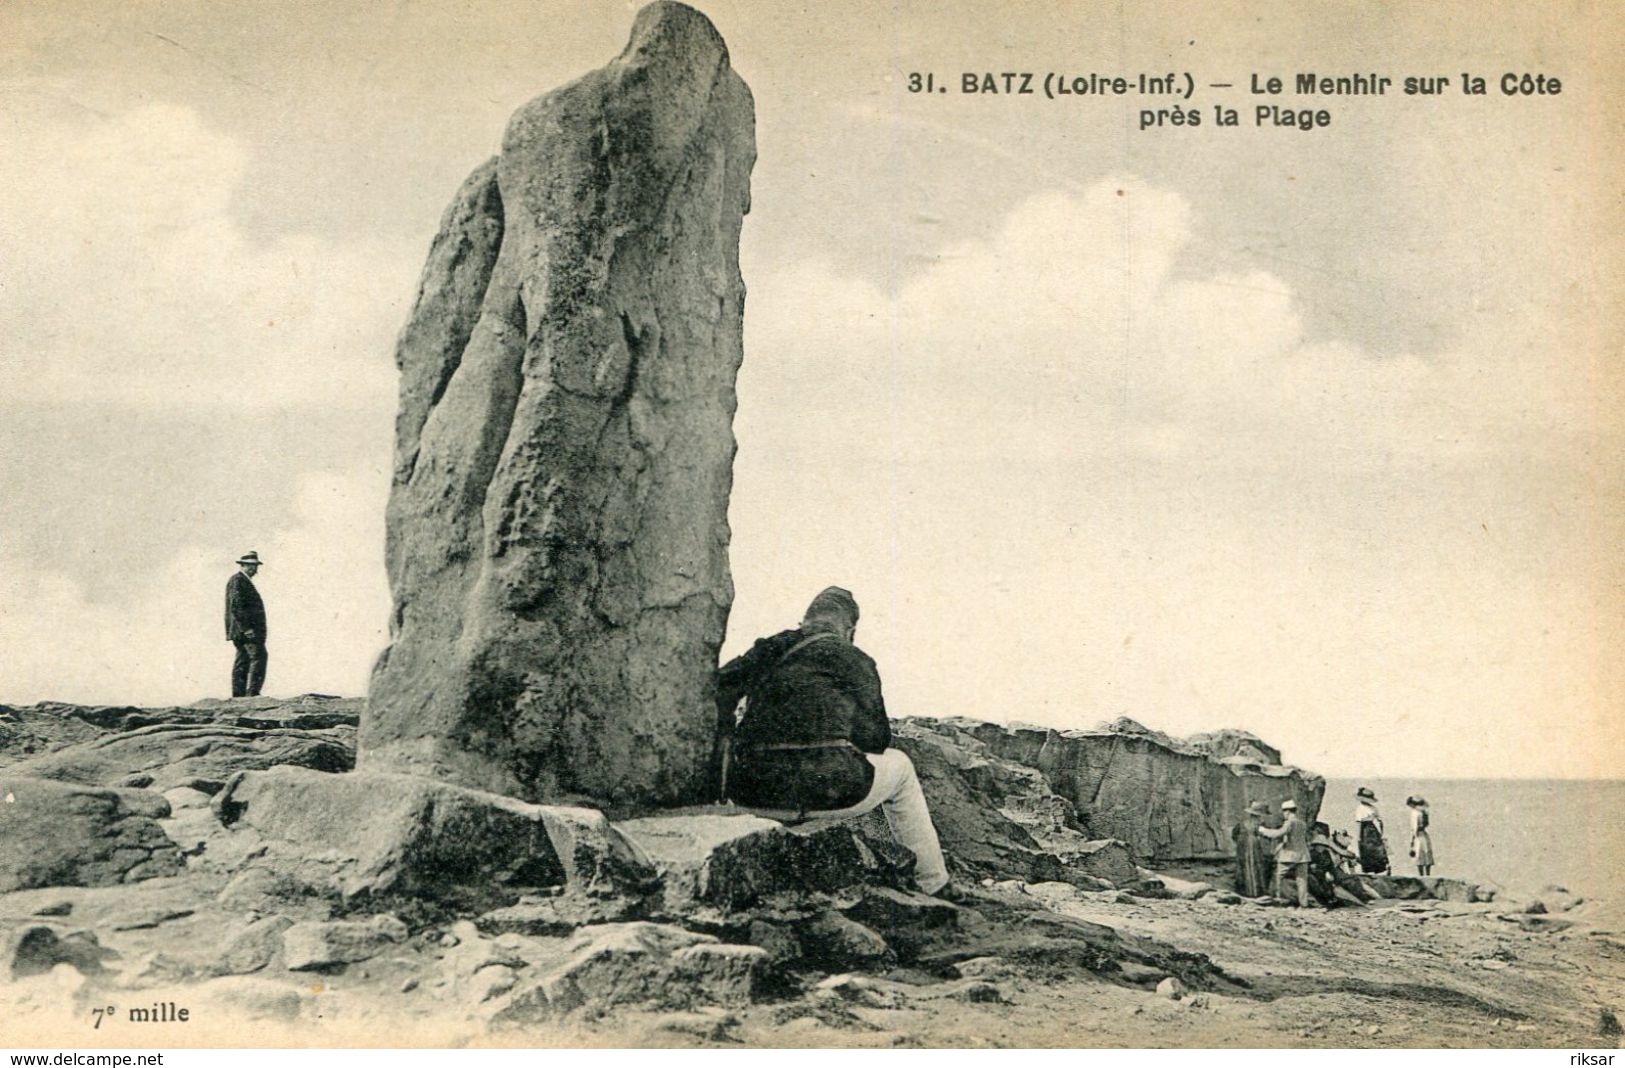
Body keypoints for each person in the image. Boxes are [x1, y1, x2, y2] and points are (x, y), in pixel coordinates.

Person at [715, 587, 950, 896]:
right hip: (829, 792)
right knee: (901, 767)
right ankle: (932, 884)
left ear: (805, 620)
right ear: (850, 630)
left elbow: (718, 691)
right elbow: (876, 740)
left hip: (752, 792)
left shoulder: (768, 648)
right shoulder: (855, 659)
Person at [225, 551, 268, 698]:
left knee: (243, 660)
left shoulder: (241, 581)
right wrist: (247, 628)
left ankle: (239, 696)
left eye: (255, 566)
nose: (254, 569)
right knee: (259, 656)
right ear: (242, 565)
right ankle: (252, 694)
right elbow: (236, 606)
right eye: (250, 566)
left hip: (242, 631)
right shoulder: (238, 580)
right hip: (245, 631)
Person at [1257, 798, 1310, 907]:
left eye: (1284, 812)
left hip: (1289, 855)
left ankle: (1276, 900)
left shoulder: (1289, 823)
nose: (1283, 814)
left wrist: (1263, 830)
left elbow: (1277, 834)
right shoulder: (1302, 823)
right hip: (1304, 856)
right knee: (1302, 881)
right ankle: (1304, 904)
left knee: (1277, 876)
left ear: (1287, 811)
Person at [1309, 821, 1371, 907]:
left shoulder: (1326, 853)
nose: (1321, 847)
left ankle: (1362, 901)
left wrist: (1332, 874)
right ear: (1315, 845)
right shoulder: (1312, 854)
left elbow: (1331, 866)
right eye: (1319, 845)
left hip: (1329, 874)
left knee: (1349, 881)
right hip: (1319, 876)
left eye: (1323, 845)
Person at [1232, 800, 1273, 897]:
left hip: (1241, 845)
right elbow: (1268, 835)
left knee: (1243, 866)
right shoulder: (1260, 824)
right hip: (1254, 845)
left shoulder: (1242, 823)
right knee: (1256, 866)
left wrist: (1240, 843)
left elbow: (1234, 835)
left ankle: (1244, 891)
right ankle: (1255, 892)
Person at [1353, 787, 1390, 874]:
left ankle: (1372, 869)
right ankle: (1376, 868)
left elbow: (1359, 822)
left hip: (1366, 830)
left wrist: (1358, 836)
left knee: (1369, 849)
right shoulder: (1372, 808)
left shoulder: (1361, 808)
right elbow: (1380, 821)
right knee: (1373, 849)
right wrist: (1380, 832)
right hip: (1372, 829)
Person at [1406, 795, 1435, 876]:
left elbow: (1414, 827)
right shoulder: (1424, 812)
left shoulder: (1415, 813)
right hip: (1424, 834)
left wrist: (1413, 837)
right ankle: (1428, 873)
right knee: (1426, 852)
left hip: (1418, 834)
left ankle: (1421, 874)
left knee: (1419, 853)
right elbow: (1426, 824)